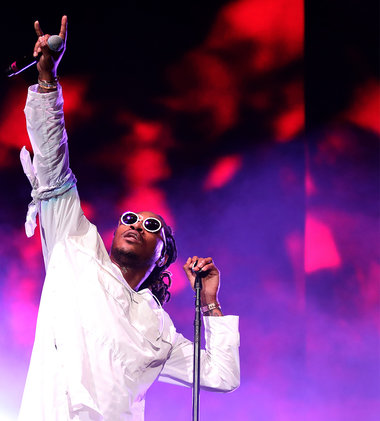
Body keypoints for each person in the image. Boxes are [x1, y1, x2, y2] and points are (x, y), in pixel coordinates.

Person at [18, 16, 240, 421]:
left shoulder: (158, 331)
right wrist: (47, 81)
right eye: (130, 218)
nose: (137, 224)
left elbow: (222, 375)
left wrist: (209, 302)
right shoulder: (75, 246)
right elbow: (52, 167)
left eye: (152, 226)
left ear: (161, 257)